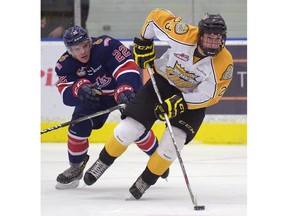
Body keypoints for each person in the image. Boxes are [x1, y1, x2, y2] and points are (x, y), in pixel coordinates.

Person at [82, 8, 234, 199]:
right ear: (200, 35)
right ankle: (102, 162)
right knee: (129, 129)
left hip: (190, 101)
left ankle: (145, 180)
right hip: (163, 83)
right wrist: (145, 41)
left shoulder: (224, 62)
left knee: (173, 144)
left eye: (218, 38)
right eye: (209, 37)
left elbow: (210, 95)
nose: (213, 42)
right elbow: (155, 18)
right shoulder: (184, 34)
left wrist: (180, 103)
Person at [54, 25, 169, 190]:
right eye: (77, 49)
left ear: (90, 42)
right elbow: (66, 94)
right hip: (94, 99)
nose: (83, 51)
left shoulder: (107, 45)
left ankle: (158, 160)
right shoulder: (64, 65)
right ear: (69, 51)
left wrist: (126, 87)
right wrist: (78, 89)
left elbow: (126, 67)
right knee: (77, 126)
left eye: (85, 45)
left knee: (136, 127)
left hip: (121, 91)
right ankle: (75, 167)